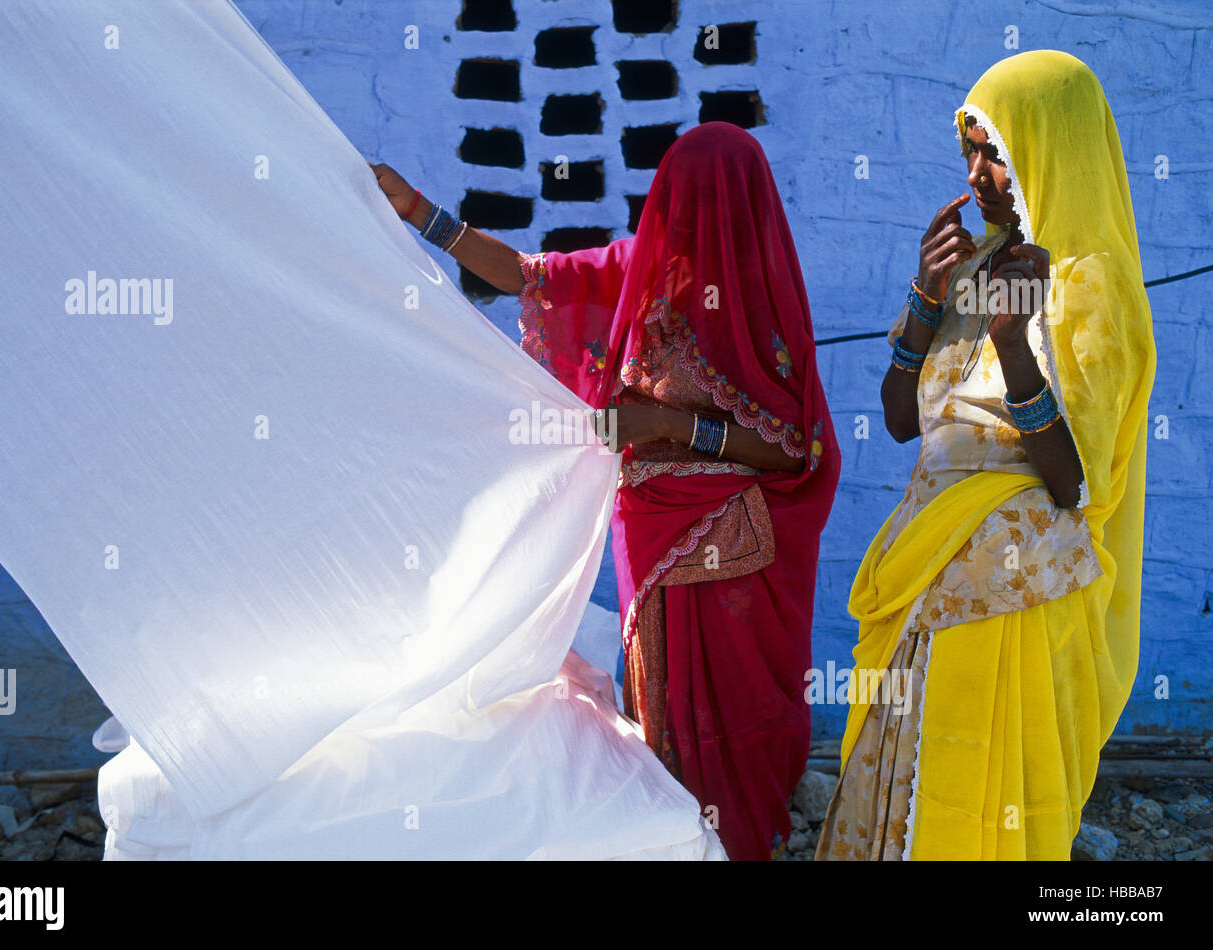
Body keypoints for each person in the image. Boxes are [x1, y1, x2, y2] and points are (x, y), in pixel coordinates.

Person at [371, 121, 840, 860]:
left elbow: (796, 447)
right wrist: (420, 212)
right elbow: (526, 275)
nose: (695, 216)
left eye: (714, 200)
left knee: (739, 701)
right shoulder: (640, 270)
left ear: (748, 205)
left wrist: (670, 424)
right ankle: (679, 839)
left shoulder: (763, 301)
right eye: (683, 196)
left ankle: (741, 839)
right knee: (665, 706)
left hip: (735, 544)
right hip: (650, 532)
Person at [815, 50, 1156, 860]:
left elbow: (1075, 484)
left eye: (994, 153)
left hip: (1010, 583)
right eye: (968, 152)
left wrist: (1015, 345)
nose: (976, 175)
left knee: (979, 791)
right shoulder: (971, 263)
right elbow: (903, 424)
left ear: (1048, 149)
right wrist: (924, 302)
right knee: (902, 782)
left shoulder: (1089, 285)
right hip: (927, 558)